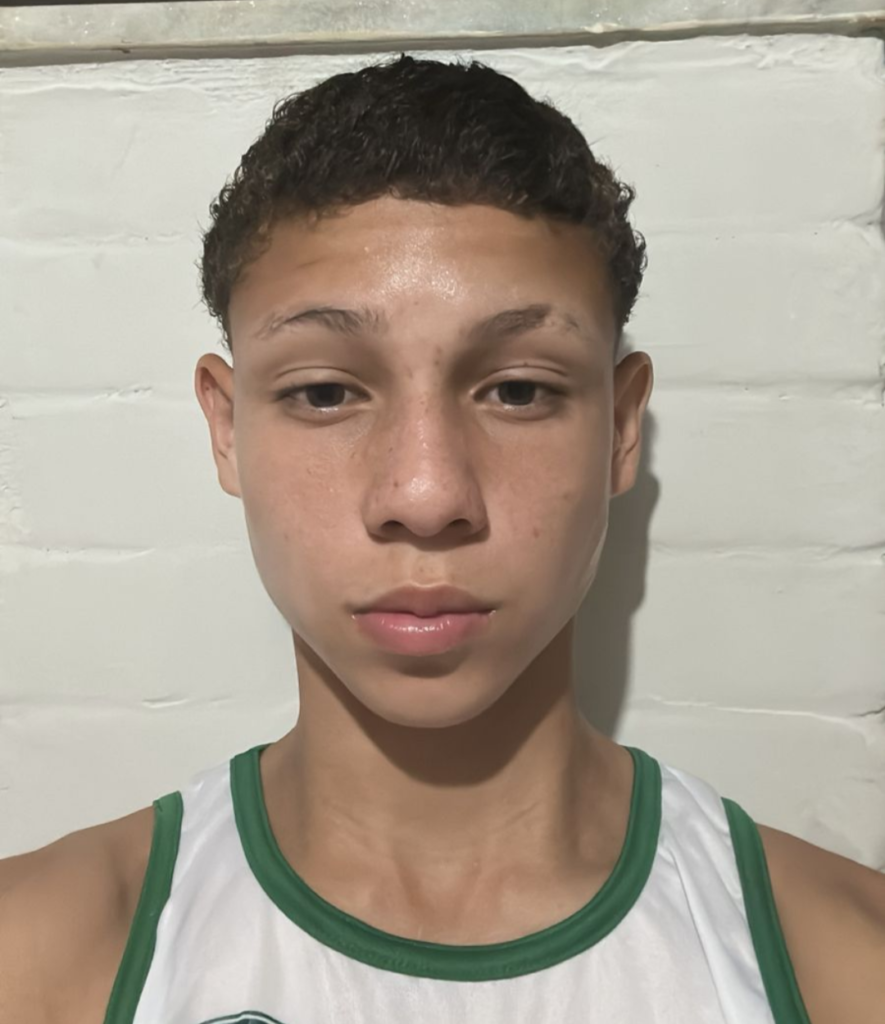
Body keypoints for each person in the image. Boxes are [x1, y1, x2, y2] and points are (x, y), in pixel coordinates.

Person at [1, 52, 883, 1024]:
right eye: (324, 392)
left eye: (519, 390)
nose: (425, 497)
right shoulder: (40, 957)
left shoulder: (843, 964)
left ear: (620, 428)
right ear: (226, 429)